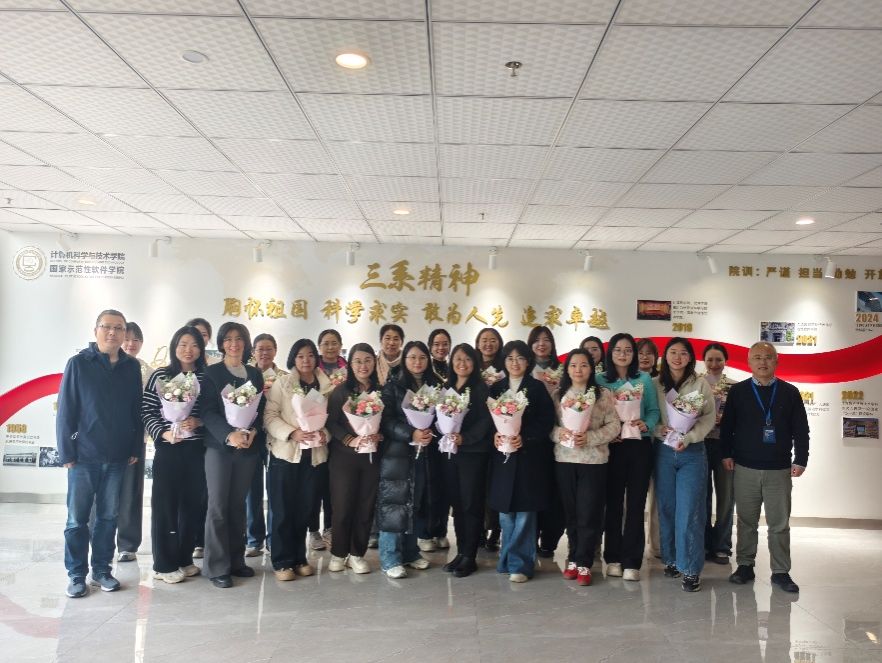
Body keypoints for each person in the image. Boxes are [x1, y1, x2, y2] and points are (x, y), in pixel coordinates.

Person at [57, 310, 143, 598]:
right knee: (76, 520)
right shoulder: (79, 364)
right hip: (83, 457)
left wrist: (135, 447)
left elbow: (136, 411)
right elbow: (66, 411)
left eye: (119, 328)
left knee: (108, 517)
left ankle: (102, 571)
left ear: (125, 333)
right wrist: (66, 452)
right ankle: (76, 575)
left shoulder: (131, 367)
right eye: (107, 327)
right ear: (96, 330)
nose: (113, 333)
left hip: (118, 457)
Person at [721, 342, 809, 594]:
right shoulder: (738, 391)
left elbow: (801, 429)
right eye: (757, 357)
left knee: (779, 524)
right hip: (745, 467)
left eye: (768, 357)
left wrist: (801, 459)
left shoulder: (790, 392)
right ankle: (745, 566)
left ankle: (781, 571)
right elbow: (727, 426)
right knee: (746, 521)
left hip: (778, 469)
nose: (763, 362)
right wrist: (726, 453)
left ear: (776, 361)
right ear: (749, 362)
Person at [200, 322, 265, 588]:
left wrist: (252, 432)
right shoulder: (212, 372)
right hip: (219, 448)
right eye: (228, 339)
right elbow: (207, 411)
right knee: (218, 506)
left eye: (239, 338)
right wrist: (229, 435)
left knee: (238, 505)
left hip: (247, 448)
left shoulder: (255, 373)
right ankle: (217, 566)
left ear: (246, 343)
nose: (234, 343)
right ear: (221, 343)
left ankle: (236, 561)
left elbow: (259, 409)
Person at [141, 326, 207, 584]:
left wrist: (199, 421)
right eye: (183, 344)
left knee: (192, 505)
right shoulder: (160, 375)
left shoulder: (206, 377)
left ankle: (184, 557)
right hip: (168, 448)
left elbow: (215, 411)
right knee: (166, 505)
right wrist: (164, 433)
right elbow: (147, 410)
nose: (188, 350)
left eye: (194, 345)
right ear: (174, 347)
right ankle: (164, 564)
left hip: (197, 449)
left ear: (201, 349)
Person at [488, 340, 555, 582]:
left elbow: (546, 421)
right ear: (503, 361)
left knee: (526, 512)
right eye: (510, 358)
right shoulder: (496, 388)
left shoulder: (537, 388)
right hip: (503, 459)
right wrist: (495, 435)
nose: (515, 363)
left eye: (520, 358)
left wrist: (525, 437)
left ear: (528, 362)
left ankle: (521, 565)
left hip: (529, 458)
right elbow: (487, 420)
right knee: (506, 513)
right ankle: (506, 560)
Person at [552, 349, 620, 586]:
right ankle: (572, 557)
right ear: (567, 369)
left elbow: (614, 426)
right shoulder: (558, 394)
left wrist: (589, 438)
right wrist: (560, 434)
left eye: (583, 365)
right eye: (573, 365)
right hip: (565, 460)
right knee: (570, 513)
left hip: (594, 461)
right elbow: (549, 427)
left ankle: (584, 562)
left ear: (592, 369)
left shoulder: (602, 395)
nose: (578, 370)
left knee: (589, 512)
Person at [653, 337, 715, 592]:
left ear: (690, 358)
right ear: (665, 356)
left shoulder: (700, 384)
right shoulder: (655, 384)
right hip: (663, 452)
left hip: (692, 453)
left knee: (689, 510)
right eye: (673, 352)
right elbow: (649, 414)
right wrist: (658, 429)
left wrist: (688, 438)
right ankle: (672, 559)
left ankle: (690, 569)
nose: (677, 357)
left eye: (683, 353)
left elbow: (708, 417)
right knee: (667, 508)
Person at [263, 339, 329, 581]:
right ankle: (282, 561)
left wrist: (325, 434)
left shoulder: (326, 386)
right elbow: (269, 416)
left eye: (310, 355)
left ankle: (299, 558)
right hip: (285, 454)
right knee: (282, 510)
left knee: (305, 509)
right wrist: (292, 433)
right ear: (293, 358)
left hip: (314, 456)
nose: (306, 360)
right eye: (300, 356)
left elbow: (332, 420)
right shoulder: (283, 383)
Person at [596, 333, 660, 581]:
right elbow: (595, 414)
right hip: (612, 447)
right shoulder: (600, 380)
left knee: (636, 504)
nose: (623, 354)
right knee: (612, 504)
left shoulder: (643, 379)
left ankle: (632, 561)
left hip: (639, 446)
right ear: (610, 353)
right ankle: (612, 558)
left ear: (633, 354)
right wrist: (607, 432)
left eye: (628, 350)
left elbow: (653, 411)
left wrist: (647, 424)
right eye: (618, 350)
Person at [377, 341, 437, 578]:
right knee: (394, 504)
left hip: (424, 453)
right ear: (404, 360)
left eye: (422, 357)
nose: (417, 362)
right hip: (397, 454)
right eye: (412, 357)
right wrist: (411, 433)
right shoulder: (392, 386)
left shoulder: (435, 386)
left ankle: (411, 552)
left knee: (415, 502)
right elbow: (386, 420)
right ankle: (389, 557)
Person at [326, 343, 383, 574]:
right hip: (344, 458)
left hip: (371, 458)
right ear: (350, 364)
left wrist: (380, 435)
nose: (363, 365)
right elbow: (331, 423)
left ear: (374, 362)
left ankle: (357, 554)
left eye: (368, 360)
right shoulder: (341, 391)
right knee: (342, 506)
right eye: (358, 361)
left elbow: (389, 421)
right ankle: (339, 553)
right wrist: (349, 439)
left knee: (365, 506)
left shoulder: (381, 391)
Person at [441, 344, 492, 578]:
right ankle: (461, 552)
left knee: (472, 504)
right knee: (458, 504)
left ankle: (470, 556)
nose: (462, 364)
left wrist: (466, 438)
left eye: (467, 359)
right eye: (458, 359)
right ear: (452, 362)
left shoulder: (481, 389)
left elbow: (486, 422)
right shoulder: (447, 388)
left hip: (473, 454)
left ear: (475, 362)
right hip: (451, 454)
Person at [115, 321, 153, 563]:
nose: (131, 344)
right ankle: (100, 542)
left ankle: (128, 544)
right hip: (107, 440)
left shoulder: (147, 371)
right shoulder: (107, 365)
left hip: (134, 439)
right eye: (127, 338)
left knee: (131, 492)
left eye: (136, 340)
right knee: (103, 493)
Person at [527, 326, 566, 558]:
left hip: (561, 437)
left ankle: (550, 540)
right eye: (537, 340)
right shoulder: (524, 369)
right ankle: (530, 538)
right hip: (534, 440)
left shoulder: (563, 370)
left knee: (557, 491)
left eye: (546, 339)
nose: (541, 344)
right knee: (534, 489)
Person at [245, 333, 285, 558]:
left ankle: (274, 539)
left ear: (275, 351)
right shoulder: (245, 374)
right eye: (260, 349)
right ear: (253, 352)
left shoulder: (285, 378)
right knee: (252, 490)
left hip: (276, 438)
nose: (264, 353)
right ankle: (254, 540)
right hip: (250, 437)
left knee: (275, 489)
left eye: (269, 348)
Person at [310, 329, 346, 550]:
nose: (330, 347)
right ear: (319, 346)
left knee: (334, 485)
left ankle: (331, 527)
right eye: (325, 343)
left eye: (334, 343)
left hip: (341, 434)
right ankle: (313, 529)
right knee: (315, 484)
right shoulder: (313, 370)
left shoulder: (349, 369)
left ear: (340, 345)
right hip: (318, 434)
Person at [702, 343, 738, 565]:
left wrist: (725, 420)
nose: (714, 364)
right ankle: (705, 544)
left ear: (725, 361)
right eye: (710, 359)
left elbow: (741, 419)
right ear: (704, 361)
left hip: (726, 447)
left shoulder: (735, 387)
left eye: (718, 359)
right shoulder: (696, 384)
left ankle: (722, 546)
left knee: (726, 498)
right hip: (701, 445)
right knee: (702, 498)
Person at [419, 328, 453, 552]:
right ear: (430, 347)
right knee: (427, 486)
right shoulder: (425, 371)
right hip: (427, 437)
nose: (441, 348)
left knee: (444, 485)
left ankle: (440, 530)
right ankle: (424, 532)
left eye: (445, 343)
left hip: (448, 438)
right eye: (437, 344)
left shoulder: (453, 369)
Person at [186, 317, 215, 559]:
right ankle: (188, 541)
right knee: (187, 495)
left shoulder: (212, 370)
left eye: (202, 336)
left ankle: (202, 540)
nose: (197, 340)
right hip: (181, 443)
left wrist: (201, 421)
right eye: (193, 335)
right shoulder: (172, 371)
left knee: (206, 492)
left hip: (208, 441)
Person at [475, 327, 504, 551]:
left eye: (493, 340)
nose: (488, 344)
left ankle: (495, 529)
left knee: (496, 483)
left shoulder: (506, 367)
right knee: (478, 485)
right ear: (477, 343)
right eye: (484, 340)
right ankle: (479, 530)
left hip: (500, 433)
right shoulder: (471, 365)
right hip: (476, 436)